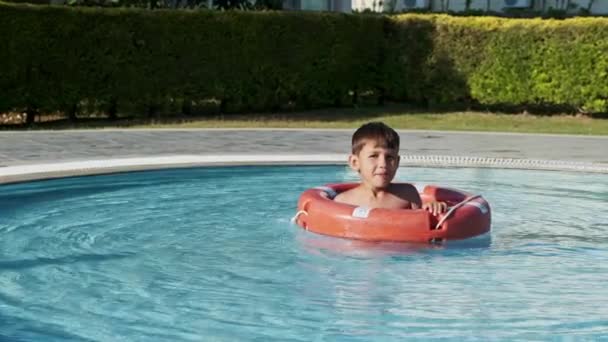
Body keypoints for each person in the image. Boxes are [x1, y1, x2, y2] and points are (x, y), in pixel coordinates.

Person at [333, 121, 447, 215]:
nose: (383, 164)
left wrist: (431, 208)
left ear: (397, 162)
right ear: (355, 162)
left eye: (389, 157)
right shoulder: (343, 201)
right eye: (374, 156)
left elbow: (421, 226)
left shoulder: (407, 194)